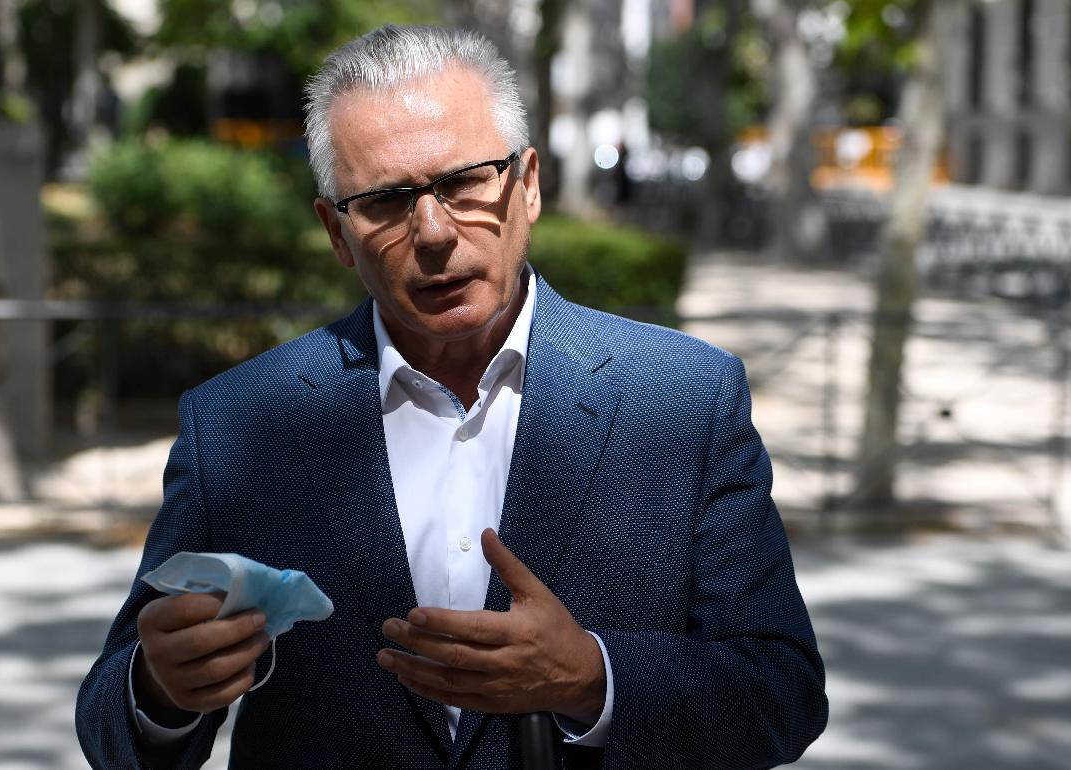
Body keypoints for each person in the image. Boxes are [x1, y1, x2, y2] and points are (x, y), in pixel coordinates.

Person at [76, 24, 828, 770]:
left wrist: (590, 679)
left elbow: (782, 692)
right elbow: (111, 726)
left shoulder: (683, 399)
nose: (433, 232)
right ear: (337, 234)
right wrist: (160, 690)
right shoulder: (239, 423)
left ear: (527, 186)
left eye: (465, 182)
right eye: (385, 201)